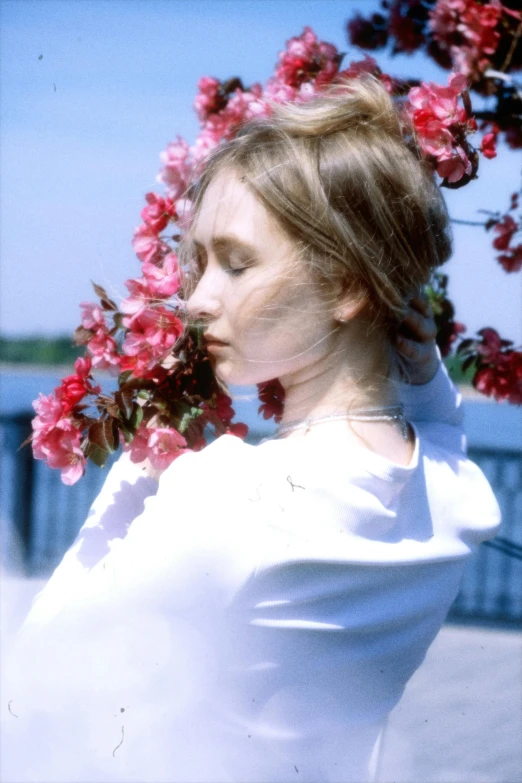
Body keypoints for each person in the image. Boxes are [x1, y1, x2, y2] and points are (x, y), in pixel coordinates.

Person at [2, 76, 500, 783]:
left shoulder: (223, 494)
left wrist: (137, 470)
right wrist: (420, 374)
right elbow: (442, 433)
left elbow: (28, 691)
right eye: (199, 263)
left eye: (236, 264)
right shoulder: (457, 497)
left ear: (348, 286)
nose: (197, 299)